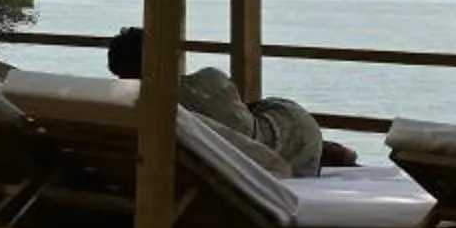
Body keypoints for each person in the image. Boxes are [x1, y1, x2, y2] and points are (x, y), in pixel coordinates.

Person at [105, 26, 354, 174]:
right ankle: (330, 155)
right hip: (288, 129)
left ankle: (330, 154)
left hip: (282, 129)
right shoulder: (203, 86)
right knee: (258, 128)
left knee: (255, 124)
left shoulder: (139, 107)